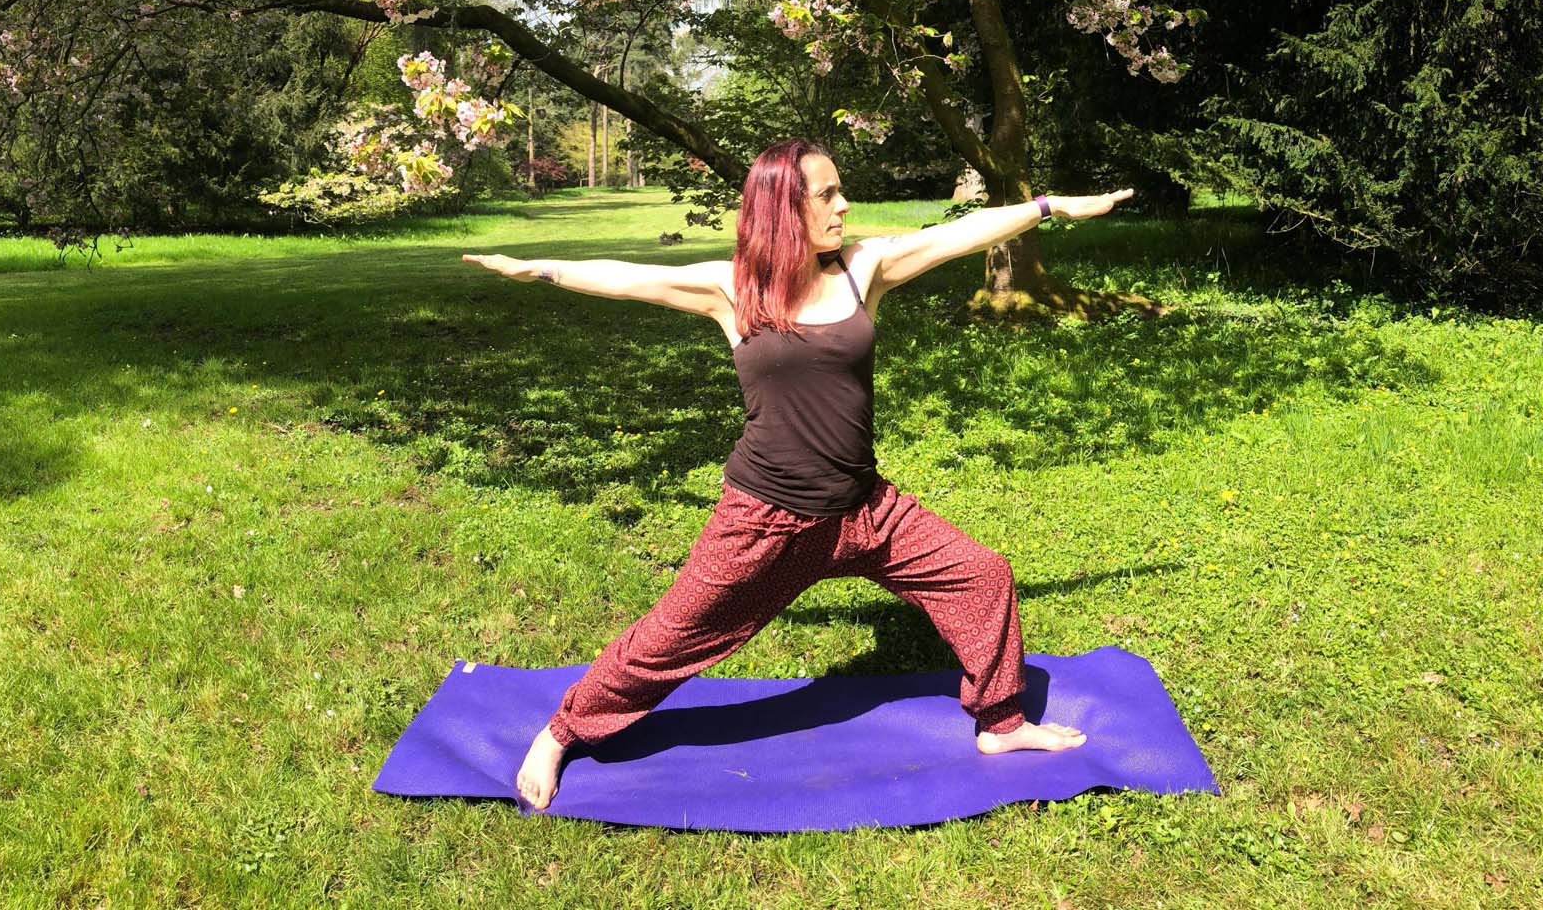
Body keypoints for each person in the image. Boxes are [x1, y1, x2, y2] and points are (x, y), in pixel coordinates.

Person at [460, 139, 1134, 811]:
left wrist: (1048, 206)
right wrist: (535, 268)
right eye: (828, 195)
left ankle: (1002, 723)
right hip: (765, 518)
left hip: (865, 509)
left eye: (842, 192)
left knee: (983, 576)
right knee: (671, 637)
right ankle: (561, 731)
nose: (845, 205)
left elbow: (964, 233)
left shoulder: (862, 269)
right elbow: (623, 275)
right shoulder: (734, 289)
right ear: (785, 208)